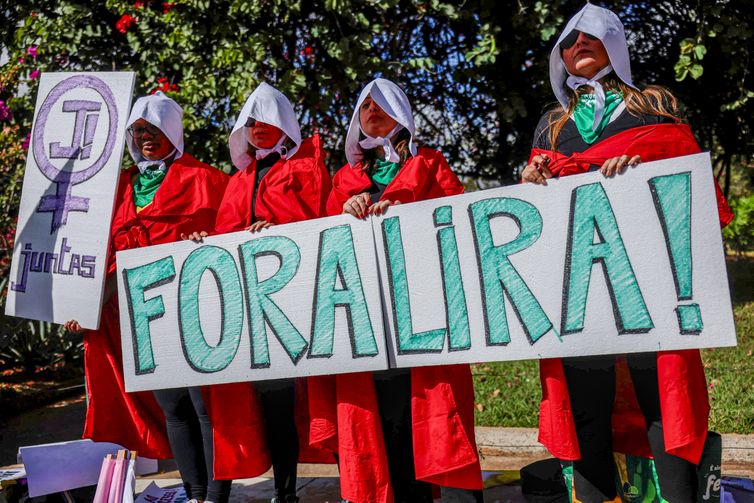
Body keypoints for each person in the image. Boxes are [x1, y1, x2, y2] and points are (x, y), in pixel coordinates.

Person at [521, 5, 733, 502]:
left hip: (649, 283)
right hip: (581, 292)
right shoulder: (553, 123)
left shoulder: (652, 104)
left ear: (614, 44)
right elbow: (540, 209)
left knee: (661, 397)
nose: (578, 44)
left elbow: (683, 174)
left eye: (590, 36)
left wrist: (642, 168)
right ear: (560, 58)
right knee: (585, 406)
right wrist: (533, 181)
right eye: (569, 40)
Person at [308, 78, 484, 503]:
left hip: (423, 317)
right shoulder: (343, 179)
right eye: (365, 105)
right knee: (380, 422)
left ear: (401, 115)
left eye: (381, 104)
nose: (371, 110)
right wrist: (344, 212)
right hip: (368, 324)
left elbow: (457, 223)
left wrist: (414, 214)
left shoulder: (429, 164)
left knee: (423, 420)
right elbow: (326, 246)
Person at [64, 92, 231, 503]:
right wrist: (83, 302)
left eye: (153, 128)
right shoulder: (121, 188)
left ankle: (215, 496)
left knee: (206, 407)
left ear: (172, 131)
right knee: (173, 407)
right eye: (137, 130)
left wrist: (207, 240)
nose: (145, 137)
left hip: (197, 308)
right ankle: (194, 494)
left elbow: (230, 234)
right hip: (144, 315)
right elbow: (103, 252)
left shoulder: (207, 179)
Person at [189, 82, 332, 503]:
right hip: (243, 307)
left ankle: (285, 492)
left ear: (283, 124)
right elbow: (223, 232)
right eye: (250, 121)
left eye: (265, 119)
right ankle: (223, 491)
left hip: (284, 304)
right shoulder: (239, 179)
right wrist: (205, 239)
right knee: (239, 405)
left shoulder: (308, 168)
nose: (257, 127)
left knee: (278, 404)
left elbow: (320, 223)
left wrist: (279, 231)